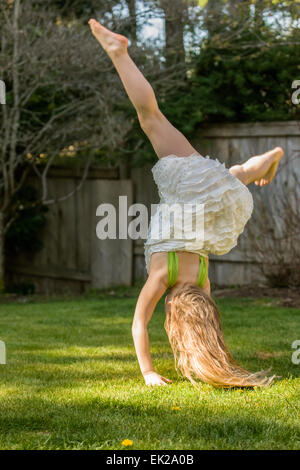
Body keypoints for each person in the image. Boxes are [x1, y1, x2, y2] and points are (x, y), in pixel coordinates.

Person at [88, 18, 283, 388]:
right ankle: (119, 53)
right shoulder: (165, 277)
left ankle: (268, 159)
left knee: (235, 175)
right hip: (190, 193)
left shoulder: (205, 281)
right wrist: (147, 372)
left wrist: (211, 351)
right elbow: (138, 324)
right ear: (175, 311)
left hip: (210, 202)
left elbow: (199, 320)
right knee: (151, 118)